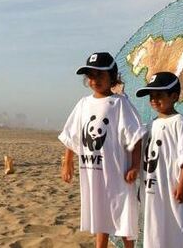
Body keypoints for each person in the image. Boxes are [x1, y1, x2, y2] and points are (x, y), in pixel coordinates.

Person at [59, 52, 145, 248]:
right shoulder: (83, 104)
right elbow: (71, 135)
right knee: (100, 216)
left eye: (100, 75)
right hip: (93, 172)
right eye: (90, 76)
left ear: (112, 77)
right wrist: (68, 162)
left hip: (117, 175)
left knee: (123, 217)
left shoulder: (120, 104)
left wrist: (134, 166)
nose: (94, 80)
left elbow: (136, 136)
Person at [136, 71, 183, 248]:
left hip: (172, 188)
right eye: (151, 95)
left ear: (174, 96)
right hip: (153, 188)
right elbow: (145, 157)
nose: (154, 99)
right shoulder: (150, 124)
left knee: (178, 226)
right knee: (155, 227)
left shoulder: (178, 121)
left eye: (159, 95)